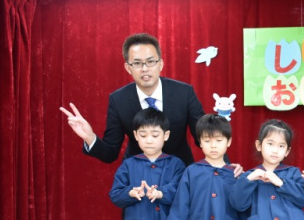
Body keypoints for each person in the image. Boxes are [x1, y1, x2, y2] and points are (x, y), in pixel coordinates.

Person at [60, 33, 204, 167]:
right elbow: (110, 153)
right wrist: (90, 138)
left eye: (150, 61)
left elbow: (203, 137)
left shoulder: (184, 93)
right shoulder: (118, 100)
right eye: (137, 63)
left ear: (160, 64)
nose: (145, 68)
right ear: (128, 68)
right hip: (137, 173)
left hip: (180, 171)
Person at [109, 108, 184, 220]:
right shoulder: (129, 164)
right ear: (135, 136)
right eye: (143, 135)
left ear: (166, 135)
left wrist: (160, 193)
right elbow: (115, 195)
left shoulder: (176, 164)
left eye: (155, 135)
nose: (149, 140)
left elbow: (181, 194)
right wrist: (130, 193)